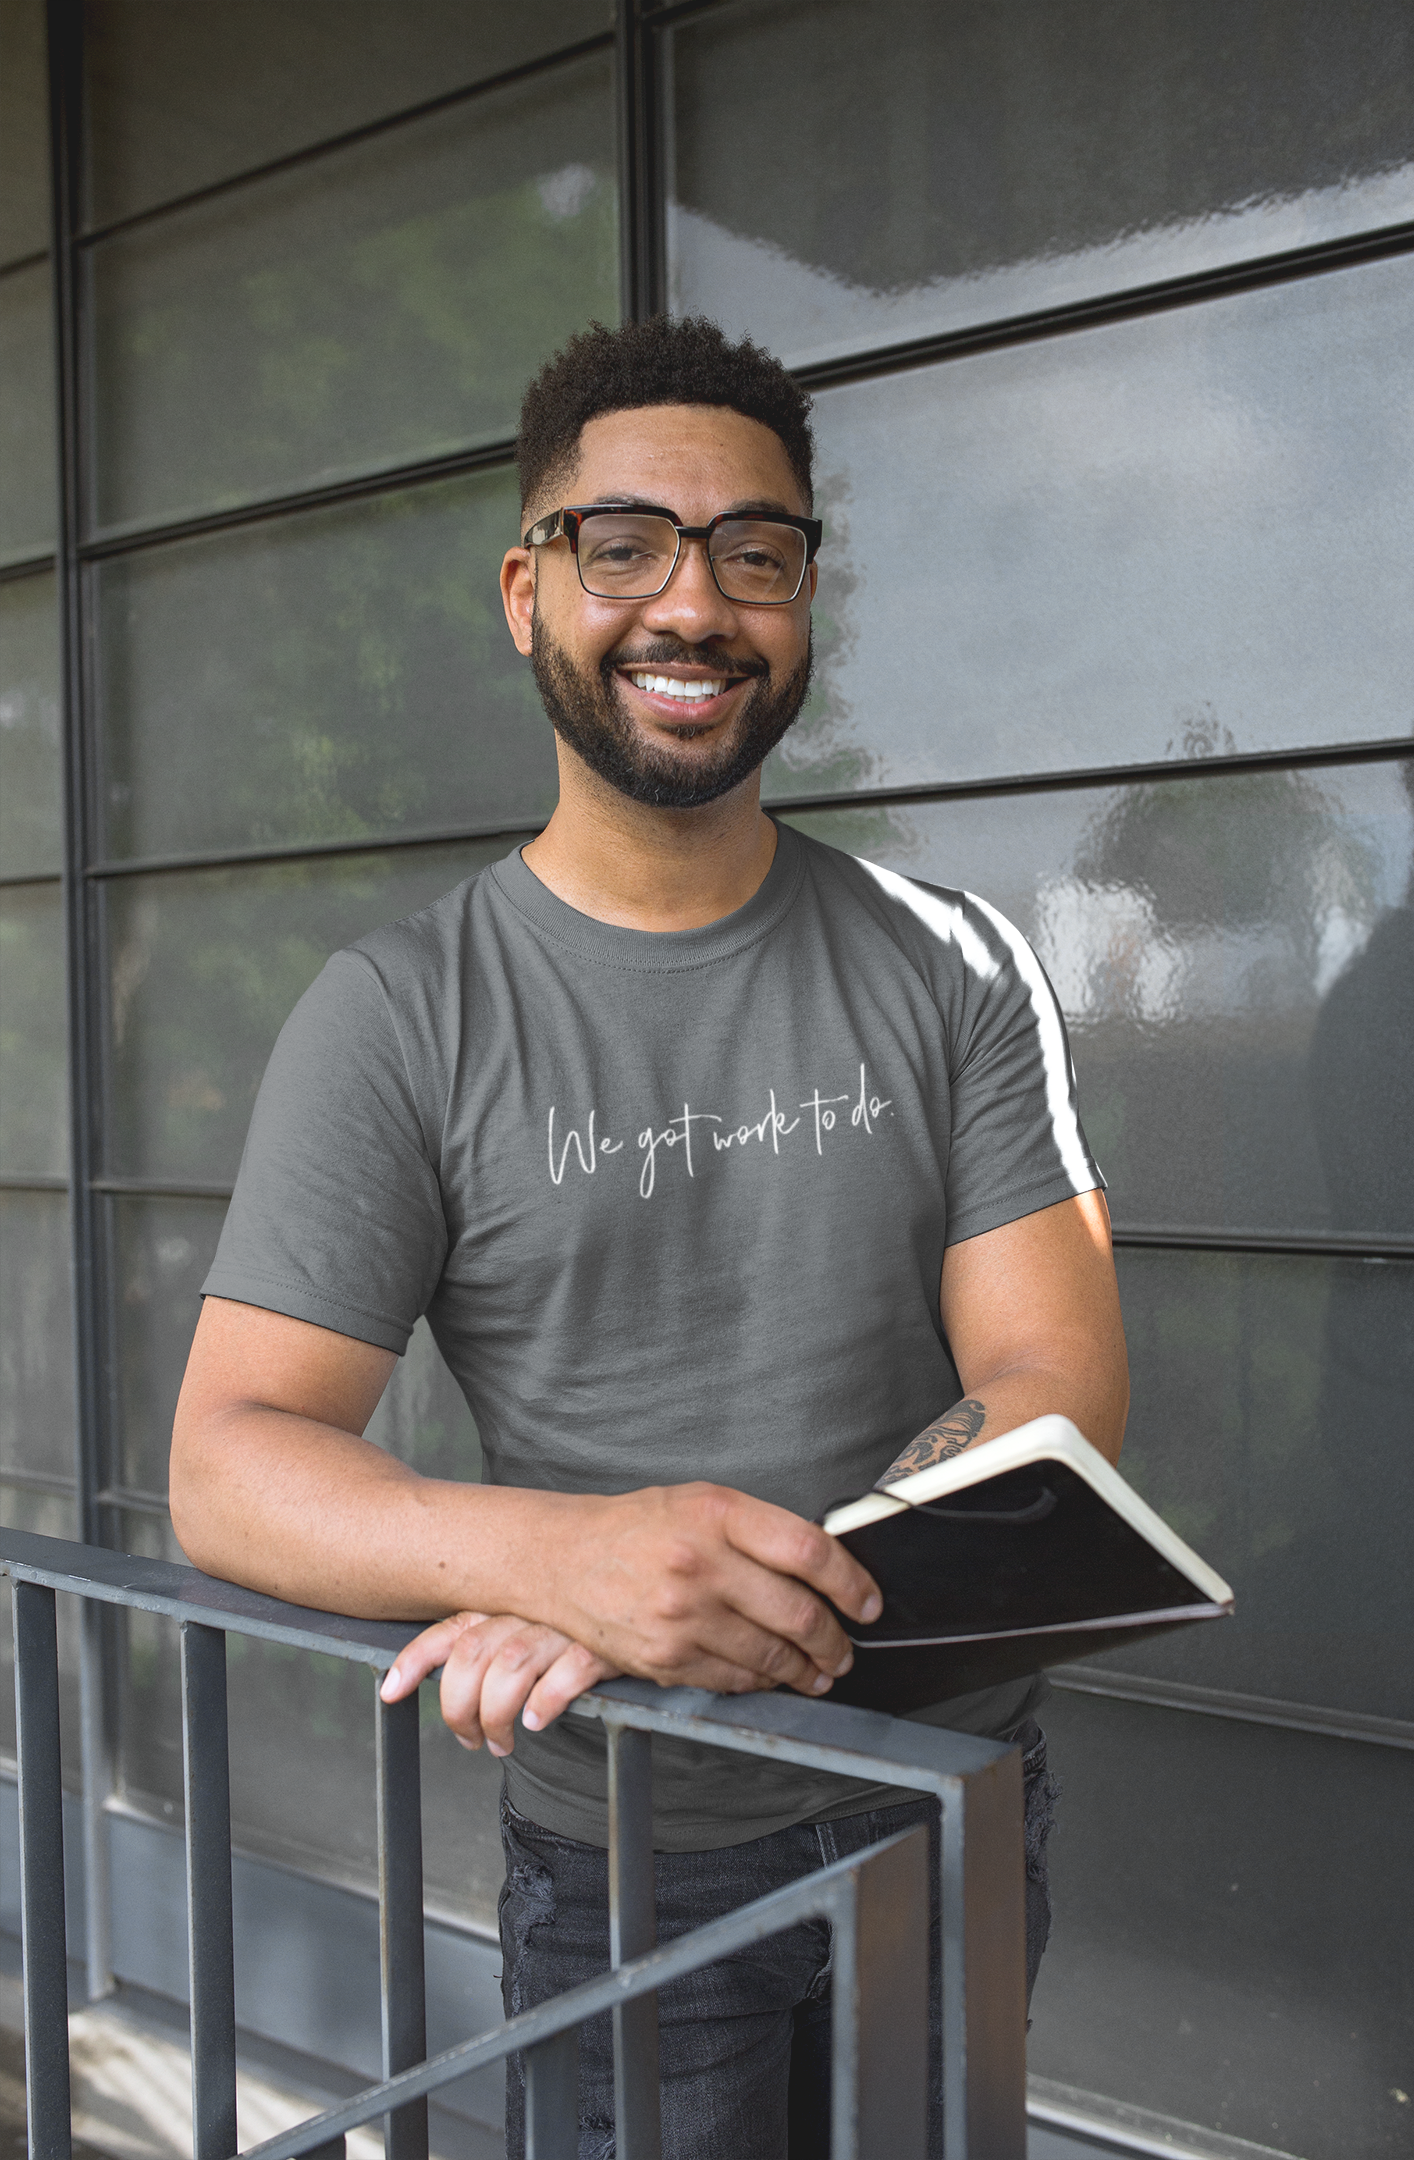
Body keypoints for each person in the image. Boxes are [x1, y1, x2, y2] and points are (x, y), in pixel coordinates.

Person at [170, 315, 1128, 2160]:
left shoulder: (957, 966)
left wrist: (707, 1598)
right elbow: (227, 1464)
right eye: (626, 547)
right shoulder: (402, 1013)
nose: (694, 606)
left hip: (952, 1788)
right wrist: (566, 1564)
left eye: (753, 552)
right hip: (630, 1856)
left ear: (805, 601)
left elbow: (1054, 1383)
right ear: (527, 589)